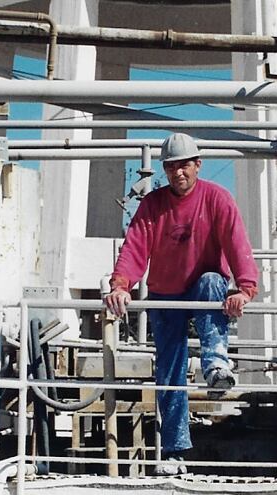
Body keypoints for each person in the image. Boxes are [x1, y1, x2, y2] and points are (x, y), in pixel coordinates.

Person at [104, 133, 259, 476]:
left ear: (198, 165)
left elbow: (237, 244)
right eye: (171, 167)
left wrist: (244, 290)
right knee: (169, 370)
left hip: (204, 288)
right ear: (165, 169)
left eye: (184, 166)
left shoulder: (217, 199)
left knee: (210, 282)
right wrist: (121, 286)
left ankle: (217, 366)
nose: (178, 173)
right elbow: (134, 248)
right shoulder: (153, 205)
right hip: (165, 295)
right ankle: (174, 452)